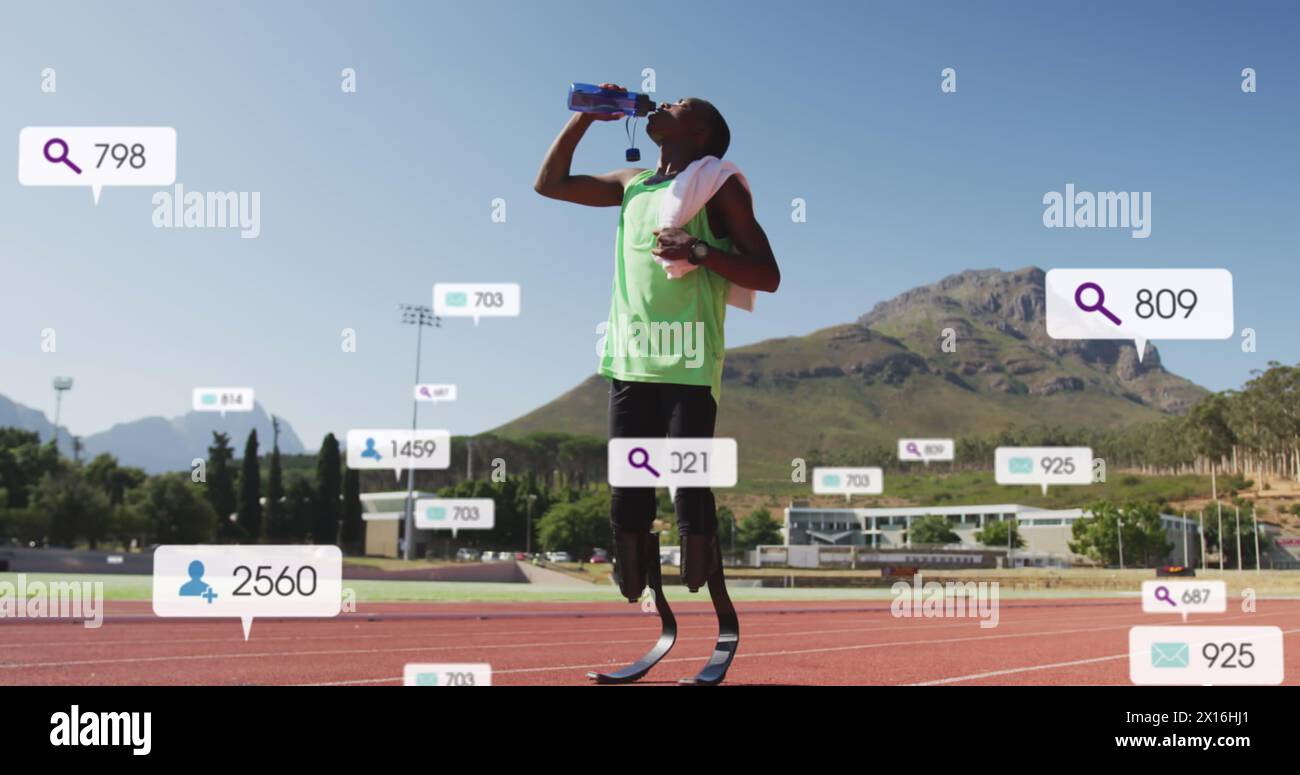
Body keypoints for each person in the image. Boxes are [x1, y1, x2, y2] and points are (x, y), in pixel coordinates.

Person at [535, 84, 780, 598]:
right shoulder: (633, 182)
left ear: (700, 131)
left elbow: (768, 274)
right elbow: (550, 184)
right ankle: (635, 574)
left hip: (688, 360)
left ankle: (700, 568)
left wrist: (700, 251)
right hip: (630, 358)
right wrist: (587, 118)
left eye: (680, 104)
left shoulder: (717, 186)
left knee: (690, 484)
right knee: (629, 487)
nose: (664, 104)